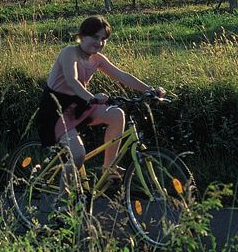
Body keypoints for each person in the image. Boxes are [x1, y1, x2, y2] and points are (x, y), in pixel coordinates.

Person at [36, 15, 165, 183]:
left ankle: (108, 168)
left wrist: (151, 90)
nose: (100, 42)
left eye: (104, 39)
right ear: (82, 36)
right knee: (78, 154)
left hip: (80, 105)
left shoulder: (97, 59)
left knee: (117, 114)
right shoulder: (69, 52)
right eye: (95, 37)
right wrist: (92, 98)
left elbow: (122, 76)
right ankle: (62, 203)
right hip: (56, 110)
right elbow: (72, 81)